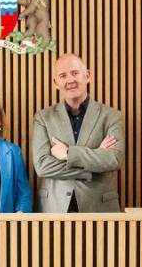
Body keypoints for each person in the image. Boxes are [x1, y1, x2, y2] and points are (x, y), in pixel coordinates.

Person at [32, 54, 124, 212]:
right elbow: (42, 166)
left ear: (87, 76)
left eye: (74, 73)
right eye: (63, 76)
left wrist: (68, 153)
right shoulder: (43, 117)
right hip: (54, 208)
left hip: (99, 207)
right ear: (56, 83)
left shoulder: (111, 115)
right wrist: (93, 164)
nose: (70, 80)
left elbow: (114, 159)